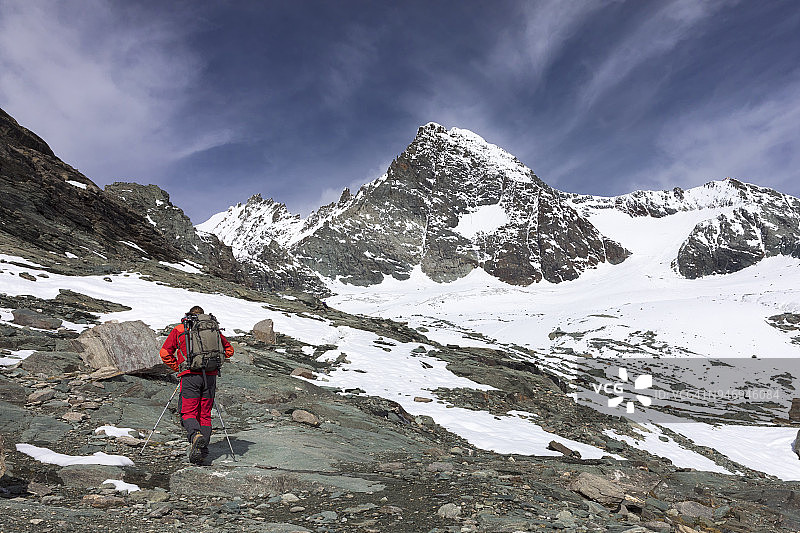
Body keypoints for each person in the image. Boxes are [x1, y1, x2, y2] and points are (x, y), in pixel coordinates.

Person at [159, 305, 234, 464]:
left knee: (188, 412)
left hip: (190, 376)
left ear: (188, 315)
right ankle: (202, 450)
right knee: (205, 414)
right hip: (210, 377)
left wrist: (178, 367)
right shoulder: (212, 330)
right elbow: (229, 351)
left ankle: (195, 436)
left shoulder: (180, 329)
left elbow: (164, 353)